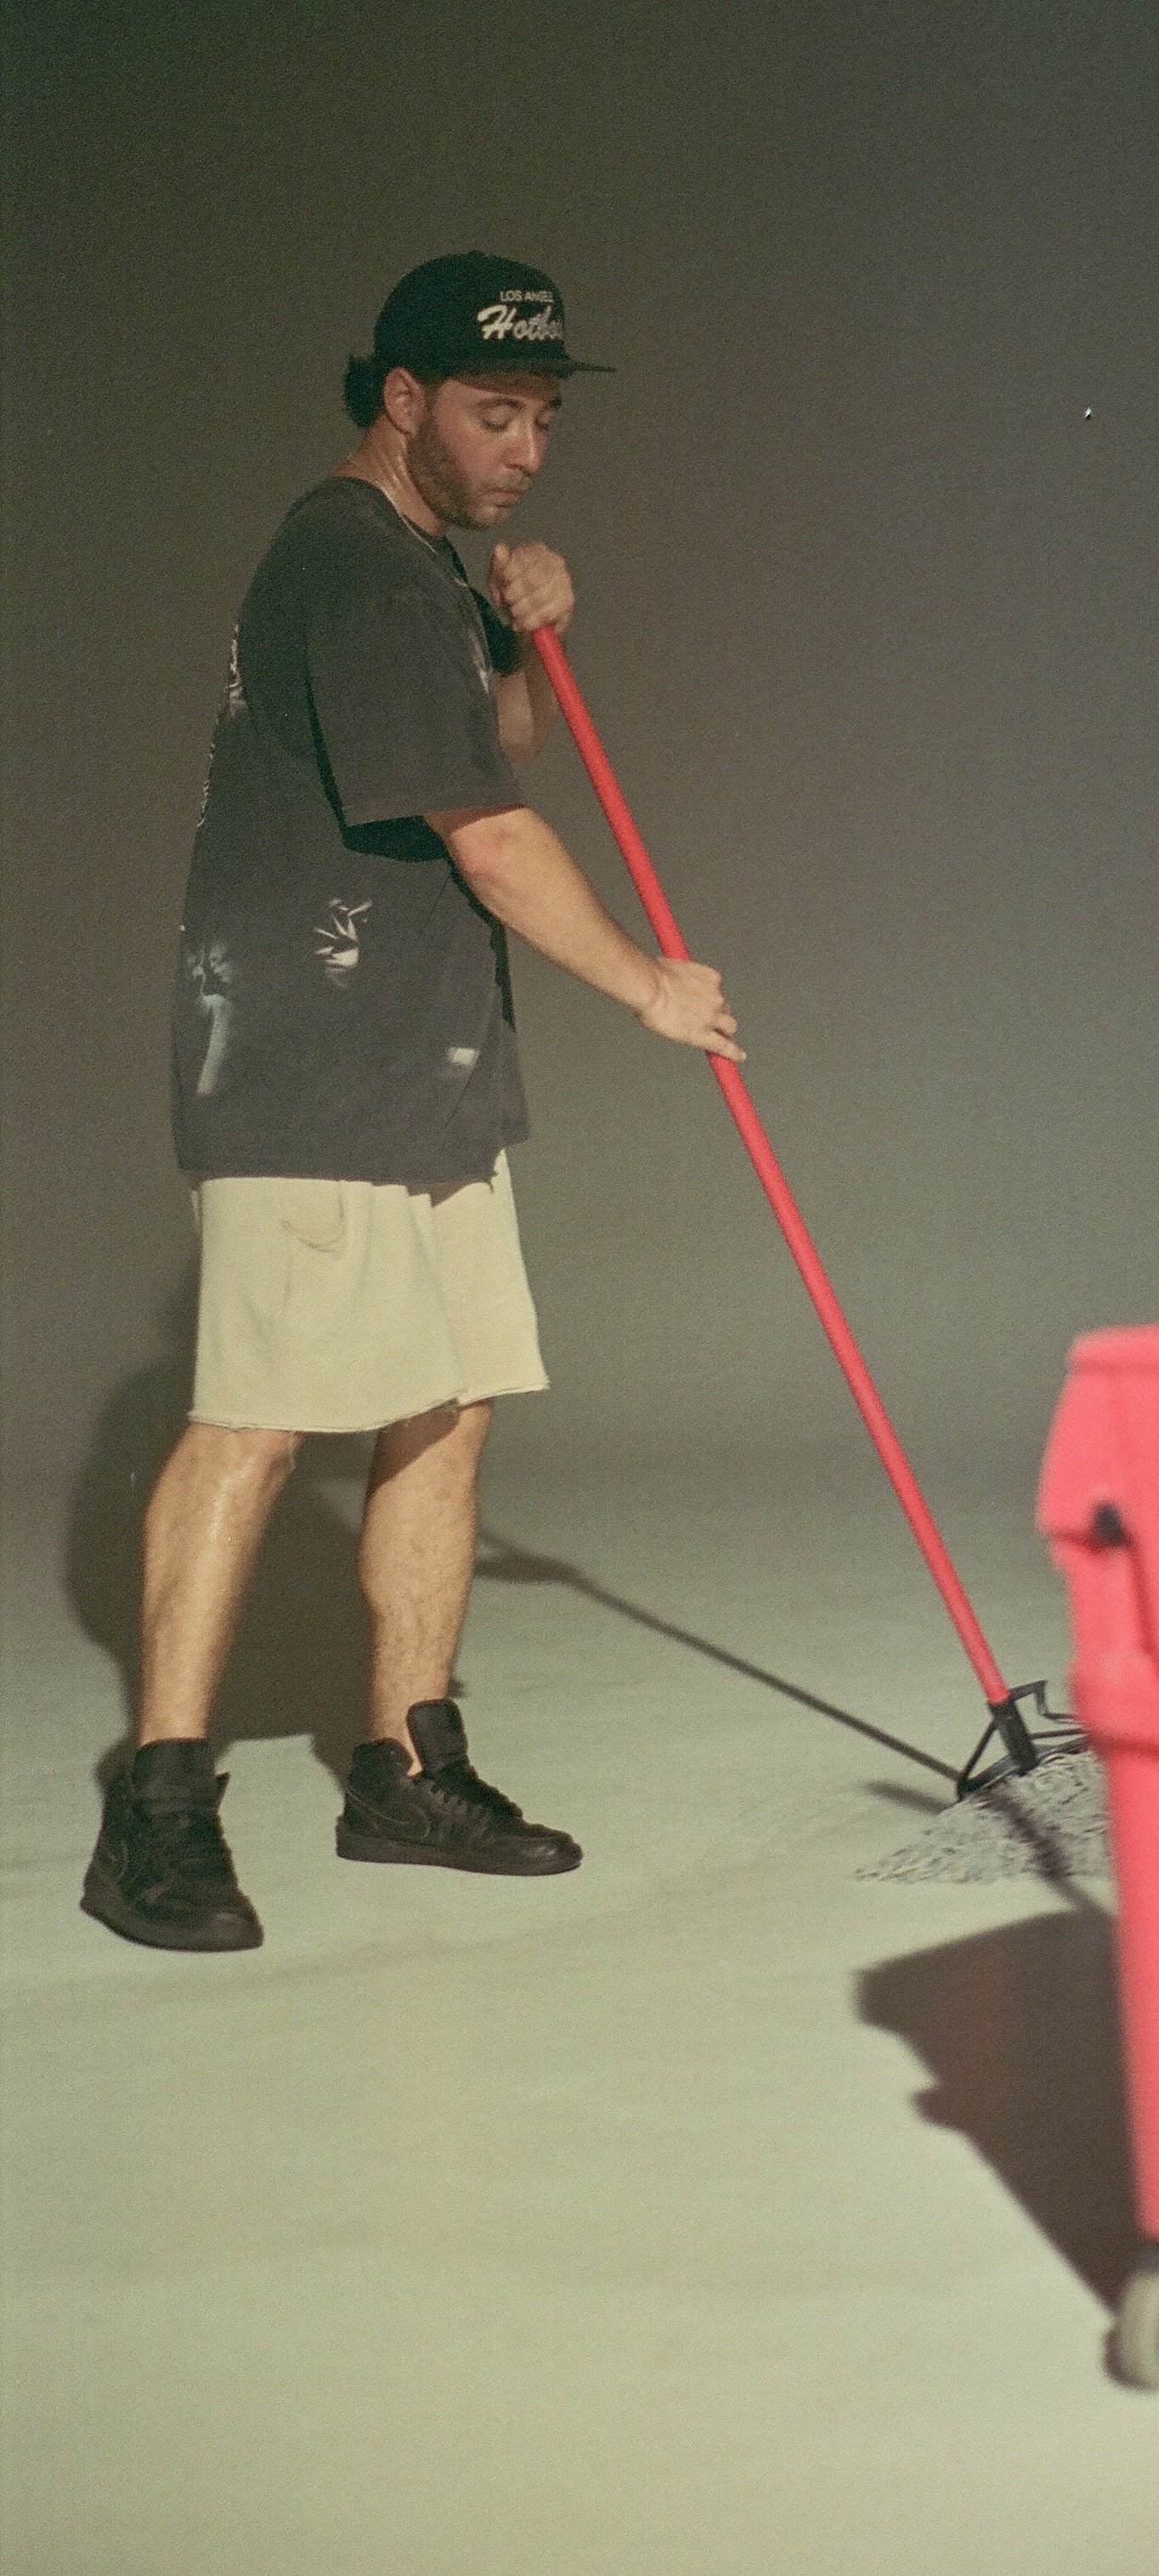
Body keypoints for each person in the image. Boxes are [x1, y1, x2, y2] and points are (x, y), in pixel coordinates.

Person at [82, 252, 742, 1952]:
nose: (523, 450)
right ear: (403, 400)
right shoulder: (355, 569)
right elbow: (491, 836)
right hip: (311, 1067)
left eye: (540, 418)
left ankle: (405, 1767)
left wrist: (528, 635)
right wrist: (650, 987)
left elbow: (487, 744)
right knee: (254, 1419)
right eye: (490, 412)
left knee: (445, 1408)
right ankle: (154, 1807)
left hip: (419, 1061)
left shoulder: (419, 574)